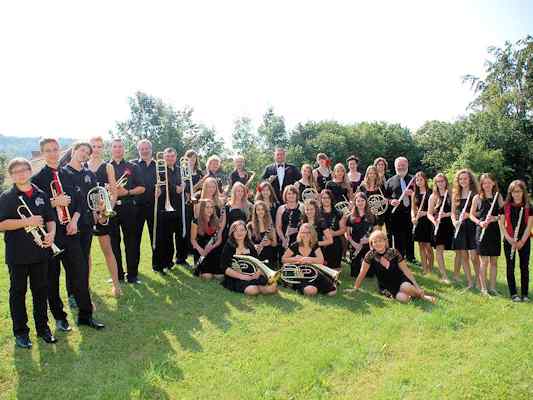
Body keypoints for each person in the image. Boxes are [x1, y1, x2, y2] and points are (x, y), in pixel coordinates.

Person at [32, 138, 104, 331]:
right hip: (52, 235)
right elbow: (35, 209)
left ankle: (85, 315)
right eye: (48, 150)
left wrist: (74, 221)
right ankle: (60, 317)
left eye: (55, 149)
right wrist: (54, 202)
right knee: (52, 279)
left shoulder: (67, 173)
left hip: (71, 231)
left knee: (80, 273)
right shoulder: (37, 179)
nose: (53, 153)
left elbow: (80, 200)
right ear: (42, 153)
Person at [0, 158, 58, 348]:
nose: (21, 174)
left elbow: (50, 218)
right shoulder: (6, 197)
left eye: (24, 170)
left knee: (41, 291)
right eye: (16, 172)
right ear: (11, 175)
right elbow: (1, 225)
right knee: (18, 292)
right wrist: (27, 221)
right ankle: (21, 332)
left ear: (29, 170)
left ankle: (43, 329)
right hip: (17, 254)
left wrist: (51, 234)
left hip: (41, 252)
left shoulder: (41, 193)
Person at [348, 230, 436, 304]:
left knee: (406, 287)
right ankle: (413, 294)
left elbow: (406, 270)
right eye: (375, 242)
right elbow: (362, 273)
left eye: (380, 241)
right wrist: (355, 288)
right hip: (386, 285)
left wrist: (417, 286)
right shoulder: (370, 255)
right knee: (404, 299)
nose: (378, 244)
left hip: (400, 279)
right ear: (371, 244)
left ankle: (423, 296)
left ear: (385, 242)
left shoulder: (393, 252)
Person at [87, 136, 121, 296]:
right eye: (93, 146)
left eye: (99, 146)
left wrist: (106, 212)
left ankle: (116, 285)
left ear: (103, 148)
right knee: (85, 253)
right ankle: (85, 287)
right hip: (86, 215)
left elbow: (113, 193)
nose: (96, 149)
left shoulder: (108, 167)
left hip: (102, 215)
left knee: (108, 250)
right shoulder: (82, 166)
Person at [108, 138, 145, 284]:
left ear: (124, 149)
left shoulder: (133, 166)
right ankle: (118, 275)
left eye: (120, 147)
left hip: (129, 208)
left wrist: (127, 192)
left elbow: (142, 188)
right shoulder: (105, 167)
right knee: (113, 243)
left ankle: (133, 275)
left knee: (132, 243)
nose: (118, 149)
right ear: (111, 149)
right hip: (111, 209)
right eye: (115, 146)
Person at [221, 221, 279, 295]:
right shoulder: (228, 246)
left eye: (242, 230)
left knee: (274, 284)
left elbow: (256, 262)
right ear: (232, 232)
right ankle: (262, 289)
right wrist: (243, 277)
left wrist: (257, 272)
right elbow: (225, 268)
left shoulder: (250, 245)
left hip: (251, 275)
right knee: (251, 290)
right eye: (236, 230)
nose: (239, 233)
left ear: (246, 232)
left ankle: (260, 289)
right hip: (236, 277)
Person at [469, 173, 504, 295]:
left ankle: (493, 287)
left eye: (489, 182)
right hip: (482, 231)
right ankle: (484, 288)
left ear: (493, 183)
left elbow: (502, 214)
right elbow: (471, 215)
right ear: (481, 185)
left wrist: (495, 218)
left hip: (494, 231)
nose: (487, 185)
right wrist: (480, 222)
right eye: (484, 183)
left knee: (494, 261)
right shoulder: (477, 198)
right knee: (484, 261)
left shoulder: (498, 197)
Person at [498, 180, 533, 302]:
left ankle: (525, 294)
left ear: (523, 192)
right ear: (510, 193)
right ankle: (513, 293)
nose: (516, 194)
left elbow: (529, 226)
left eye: (518, 191)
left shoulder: (529, 207)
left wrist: (522, 241)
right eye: (513, 192)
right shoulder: (504, 207)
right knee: (510, 266)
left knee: (524, 266)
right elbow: (501, 224)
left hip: (524, 240)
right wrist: (510, 239)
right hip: (509, 240)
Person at [281, 223, 337, 296]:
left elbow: (321, 260)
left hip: (313, 273)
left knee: (332, 292)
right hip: (299, 274)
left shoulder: (314, 245)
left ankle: (315, 287)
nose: (305, 235)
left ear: (312, 234)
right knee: (311, 291)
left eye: (308, 232)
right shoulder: (295, 245)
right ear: (300, 233)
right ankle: (306, 287)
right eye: (303, 232)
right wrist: (295, 259)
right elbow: (283, 259)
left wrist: (308, 259)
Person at [451, 168, 480, 288]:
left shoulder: (476, 194)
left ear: (470, 180)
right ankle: (469, 281)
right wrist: (454, 221)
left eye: (465, 178)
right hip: (459, 227)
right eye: (460, 179)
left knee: (474, 256)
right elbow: (453, 212)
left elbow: (481, 212)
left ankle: (479, 281)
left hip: (472, 226)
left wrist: (469, 215)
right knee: (463, 255)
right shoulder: (455, 194)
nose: (463, 181)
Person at [131, 139, 157, 266]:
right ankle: (134, 269)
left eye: (147, 148)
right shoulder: (132, 165)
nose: (145, 151)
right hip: (136, 208)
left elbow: (165, 184)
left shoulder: (158, 165)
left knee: (156, 236)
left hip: (154, 206)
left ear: (151, 150)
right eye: (142, 149)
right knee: (134, 240)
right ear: (138, 150)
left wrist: (161, 191)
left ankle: (157, 265)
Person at [385, 157, 415, 261]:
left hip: (411, 213)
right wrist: (390, 201)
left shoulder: (414, 179)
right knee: (398, 237)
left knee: (410, 236)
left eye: (403, 165)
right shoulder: (390, 181)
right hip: (396, 214)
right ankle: (400, 257)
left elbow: (422, 195)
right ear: (395, 166)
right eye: (399, 165)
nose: (401, 167)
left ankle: (411, 257)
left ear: (407, 166)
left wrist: (413, 194)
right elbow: (385, 198)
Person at [427, 173, 453, 283]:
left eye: (442, 181)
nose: (440, 183)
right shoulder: (433, 196)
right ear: (435, 183)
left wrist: (445, 215)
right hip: (438, 225)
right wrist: (434, 220)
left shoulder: (452, 194)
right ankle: (444, 275)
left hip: (449, 224)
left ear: (446, 182)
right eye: (438, 181)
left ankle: (456, 274)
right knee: (439, 250)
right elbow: (429, 213)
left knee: (458, 250)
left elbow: (455, 211)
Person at [191, 199, 224, 279]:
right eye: (207, 207)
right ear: (202, 209)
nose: (210, 210)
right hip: (201, 250)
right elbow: (193, 240)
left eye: (211, 207)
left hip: (213, 249)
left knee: (219, 276)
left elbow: (219, 239)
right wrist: (201, 250)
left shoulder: (216, 222)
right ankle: (198, 267)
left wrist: (213, 246)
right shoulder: (196, 222)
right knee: (207, 276)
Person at [345, 192, 376, 277]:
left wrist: (368, 239)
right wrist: (353, 243)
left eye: (362, 200)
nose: (360, 203)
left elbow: (376, 233)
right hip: (355, 245)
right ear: (355, 202)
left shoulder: (372, 216)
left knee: (370, 274)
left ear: (366, 202)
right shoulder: (350, 216)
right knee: (354, 274)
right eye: (358, 201)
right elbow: (347, 234)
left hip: (368, 244)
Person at [411, 171, 434, 275]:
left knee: (428, 246)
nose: (419, 182)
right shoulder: (414, 194)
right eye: (417, 180)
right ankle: (424, 268)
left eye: (421, 179)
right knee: (421, 245)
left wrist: (425, 213)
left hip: (428, 221)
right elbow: (413, 209)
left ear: (425, 180)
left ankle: (430, 267)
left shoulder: (431, 192)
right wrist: (413, 217)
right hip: (418, 222)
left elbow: (435, 209)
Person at [319, 189, 347, 271]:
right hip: (321, 241)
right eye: (323, 198)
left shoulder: (338, 213)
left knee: (335, 268)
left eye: (328, 198)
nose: (326, 200)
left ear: (331, 199)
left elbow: (343, 230)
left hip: (335, 241)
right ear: (321, 199)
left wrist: (333, 233)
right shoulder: (317, 212)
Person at [302, 199, 333, 264]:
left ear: (316, 210)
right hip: (304, 253)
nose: (309, 211)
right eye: (307, 209)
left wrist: (315, 244)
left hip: (318, 254)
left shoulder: (321, 222)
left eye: (312, 209)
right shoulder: (302, 223)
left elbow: (330, 240)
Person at [248, 200, 277, 268]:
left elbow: (275, 244)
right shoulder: (250, 226)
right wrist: (254, 246)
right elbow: (247, 243)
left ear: (265, 211)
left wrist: (270, 242)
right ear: (255, 212)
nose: (260, 211)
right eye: (258, 209)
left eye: (262, 209)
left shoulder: (270, 226)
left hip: (268, 257)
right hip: (255, 257)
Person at [275, 185, 303, 251]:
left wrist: (295, 230)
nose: (291, 195)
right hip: (284, 239)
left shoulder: (302, 207)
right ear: (285, 195)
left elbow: (304, 224)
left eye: (293, 193)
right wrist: (284, 240)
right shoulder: (281, 208)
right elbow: (278, 227)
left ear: (297, 195)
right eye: (289, 194)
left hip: (299, 239)